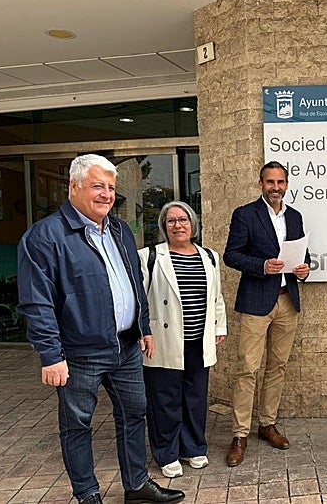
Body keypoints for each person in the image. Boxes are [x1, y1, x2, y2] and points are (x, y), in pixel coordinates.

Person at [17, 154, 185, 504]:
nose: (107, 194)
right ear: (74, 187)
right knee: (77, 425)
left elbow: (134, 284)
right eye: (98, 186)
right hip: (79, 353)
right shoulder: (45, 237)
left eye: (110, 187)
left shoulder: (119, 229)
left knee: (134, 414)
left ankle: (136, 485)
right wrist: (50, 355)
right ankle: (87, 494)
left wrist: (143, 326)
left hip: (126, 347)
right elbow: (36, 302)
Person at [222, 161, 310, 467]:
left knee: (278, 367)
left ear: (286, 185)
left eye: (280, 182)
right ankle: (239, 435)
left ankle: (267, 424)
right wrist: (261, 266)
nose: (276, 187)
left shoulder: (295, 217)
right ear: (261, 184)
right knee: (248, 368)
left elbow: (303, 254)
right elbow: (231, 255)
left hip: (287, 301)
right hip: (256, 302)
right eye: (270, 182)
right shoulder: (245, 214)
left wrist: (304, 269)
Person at [139, 201, 228, 478]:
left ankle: (193, 447)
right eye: (171, 221)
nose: (178, 225)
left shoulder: (209, 256)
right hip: (163, 339)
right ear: (164, 226)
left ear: (193, 224)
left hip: (198, 340)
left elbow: (216, 296)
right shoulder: (149, 256)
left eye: (183, 220)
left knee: (195, 397)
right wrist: (142, 331)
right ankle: (166, 453)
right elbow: (140, 300)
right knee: (164, 399)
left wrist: (219, 326)